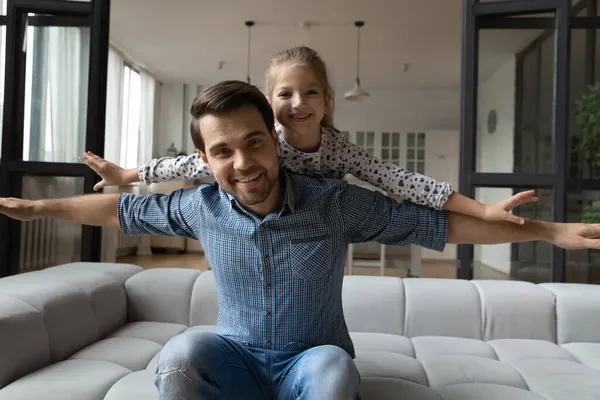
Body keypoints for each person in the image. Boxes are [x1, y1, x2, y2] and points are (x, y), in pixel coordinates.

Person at [2, 81, 599, 400]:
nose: (244, 163)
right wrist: (37, 206)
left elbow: (440, 224)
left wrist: (548, 231)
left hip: (311, 364)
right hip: (231, 360)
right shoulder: (197, 206)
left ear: (274, 138)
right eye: (222, 151)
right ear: (206, 159)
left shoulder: (333, 203)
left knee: (336, 372)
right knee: (180, 358)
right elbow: (118, 209)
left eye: (254, 142)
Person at [81, 45, 536, 226]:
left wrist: (483, 209)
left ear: (326, 102)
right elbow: (188, 163)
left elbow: (403, 180)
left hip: (318, 224)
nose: (298, 103)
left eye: (310, 92)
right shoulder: (261, 143)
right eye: (286, 93)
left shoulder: (339, 149)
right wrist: (126, 172)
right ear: (268, 104)